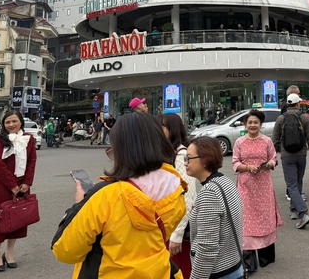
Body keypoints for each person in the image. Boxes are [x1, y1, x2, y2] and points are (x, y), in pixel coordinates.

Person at [52, 112, 186, 278]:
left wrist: (79, 204)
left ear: (122, 150)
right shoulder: (175, 187)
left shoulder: (105, 196)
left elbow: (65, 250)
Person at [232, 110, 283, 274]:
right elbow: (235, 163)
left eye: (256, 122)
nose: (253, 125)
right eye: (250, 122)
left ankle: (265, 257)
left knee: (264, 218)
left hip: (264, 186)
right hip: (245, 186)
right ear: (245, 124)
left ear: (260, 124)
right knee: (246, 219)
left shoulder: (267, 140)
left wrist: (267, 164)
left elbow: (273, 158)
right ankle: (248, 262)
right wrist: (248, 167)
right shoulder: (239, 142)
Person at [186, 137, 245, 279]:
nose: (185, 163)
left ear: (204, 160)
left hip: (218, 272)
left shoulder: (210, 192)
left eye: (188, 158)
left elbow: (207, 247)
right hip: (233, 265)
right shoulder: (224, 181)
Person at [0, 110, 37, 272]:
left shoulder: (28, 139)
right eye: (7, 122)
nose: (11, 125)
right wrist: (12, 185)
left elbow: (31, 161)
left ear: (21, 122)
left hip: (22, 185)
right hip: (1, 185)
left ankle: (9, 253)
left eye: (14, 121)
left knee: (17, 219)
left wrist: (27, 182)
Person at [159, 113, 200, 279]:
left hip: (180, 230)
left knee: (181, 270)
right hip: (169, 224)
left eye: (161, 127)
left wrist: (177, 235)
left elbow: (188, 197)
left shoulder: (181, 154)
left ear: (172, 130)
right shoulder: (168, 152)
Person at [272, 93, 309, 229]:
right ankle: (294, 210)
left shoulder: (280, 119)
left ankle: (303, 213)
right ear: (298, 104)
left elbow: (275, 139)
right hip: (301, 155)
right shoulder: (305, 118)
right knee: (297, 182)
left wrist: (273, 157)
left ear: (287, 104)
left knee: (291, 185)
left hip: (287, 155)